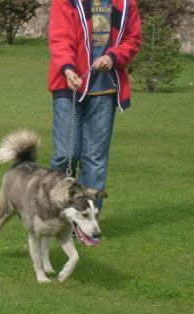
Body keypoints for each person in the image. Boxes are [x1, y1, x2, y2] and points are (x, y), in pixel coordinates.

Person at [48, 0, 142, 209]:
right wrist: (68, 68)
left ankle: (85, 221)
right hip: (68, 83)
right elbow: (59, 38)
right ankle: (52, 207)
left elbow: (133, 39)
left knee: (95, 160)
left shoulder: (126, 3)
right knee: (66, 154)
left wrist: (113, 56)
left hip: (104, 89)